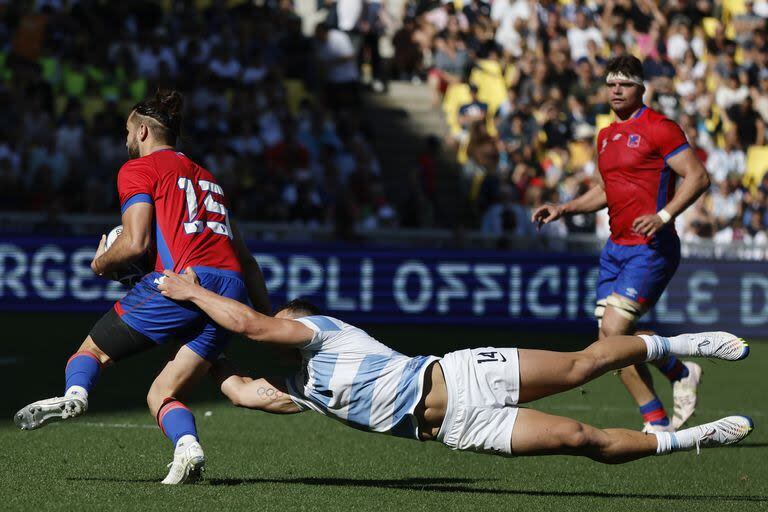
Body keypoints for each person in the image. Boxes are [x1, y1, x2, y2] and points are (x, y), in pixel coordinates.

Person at [157, 269, 752, 463]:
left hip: (459, 374)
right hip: (457, 428)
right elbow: (244, 393)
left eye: (286, 321)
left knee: (580, 365)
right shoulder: (302, 385)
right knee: (581, 437)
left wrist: (192, 293)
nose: (279, 329)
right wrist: (200, 356)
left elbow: (254, 324)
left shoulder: (320, 331)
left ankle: (688, 343)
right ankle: (698, 436)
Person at [13, 90, 271, 485]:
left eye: (128, 132)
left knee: (91, 352)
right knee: (162, 394)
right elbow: (247, 261)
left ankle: (75, 395)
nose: (126, 140)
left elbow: (135, 243)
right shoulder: (208, 178)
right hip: (229, 290)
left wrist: (100, 262)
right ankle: (188, 446)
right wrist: (264, 322)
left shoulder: (138, 169)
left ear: (144, 132)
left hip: (183, 284)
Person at [531, 56, 711, 433]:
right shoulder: (605, 136)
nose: (615, 90)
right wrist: (564, 207)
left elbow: (697, 177)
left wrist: (664, 216)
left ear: (641, 88)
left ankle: (673, 384)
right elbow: (605, 190)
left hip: (652, 247)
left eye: (624, 84)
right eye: (611, 83)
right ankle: (659, 416)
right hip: (615, 249)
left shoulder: (660, 128)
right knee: (611, 343)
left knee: (612, 335)